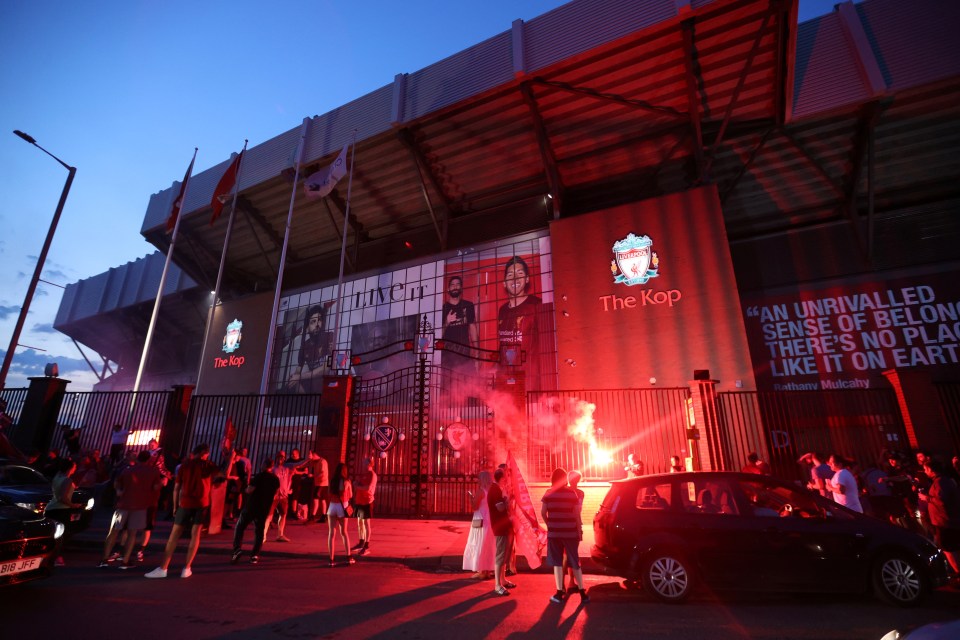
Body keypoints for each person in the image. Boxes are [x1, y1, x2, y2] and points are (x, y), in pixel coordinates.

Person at [145, 443, 231, 579]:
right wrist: (230, 459)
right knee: (195, 535)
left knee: (174, 536)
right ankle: (187, 567)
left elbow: (177, 487)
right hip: (202, 503)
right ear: (205, 453)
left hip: (185, 502)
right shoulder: (209, 465)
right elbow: (223, 474)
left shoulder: (185, 466)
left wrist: (174, 506)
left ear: (195, 452)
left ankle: (164, 567)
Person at [100, 450, 163, 569]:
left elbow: (117, 483)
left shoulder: (128, 470)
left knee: (113, 531)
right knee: (132, 533)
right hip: (140, 506)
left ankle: (104, 559)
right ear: (149, 459)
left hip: (123, 504)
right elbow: (155, 487)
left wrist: (119, 491)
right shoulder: (153, 471)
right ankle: (125, 561)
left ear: (138, 458)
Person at [541, 467, 589, 605]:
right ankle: (582, 593)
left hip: (555, 533)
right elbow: (576, 514)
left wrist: (550, 524)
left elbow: (543, 513)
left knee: (557, 562)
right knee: (575, 561)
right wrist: (579, 530)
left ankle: (559, 593)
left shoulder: (548, 493)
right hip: (570, 532)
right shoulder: (572, 493)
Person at [497, 256, 544, 389]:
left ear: (527, 279)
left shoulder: (537, 305)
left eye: (520, 273)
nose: (515, 278)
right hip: (507, 382)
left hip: (531, 383)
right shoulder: (502, 310)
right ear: (504, 282)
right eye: (510, 275)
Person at [231, 456, 281, 565]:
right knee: (259, 532)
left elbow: (249, 490)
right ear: (272, 467)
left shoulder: (259, 477)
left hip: (252, 506)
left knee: (240, 527)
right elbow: (276, 493)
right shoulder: (275, 479)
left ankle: (237, 549)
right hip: (264, 508)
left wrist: (244, 489)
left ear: (263, 465)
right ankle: (254, 555)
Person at [923, 458, 960, 578]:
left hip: (944, 522)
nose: (924, 472)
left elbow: (941, 501)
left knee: (949, 549)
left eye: (925, 469)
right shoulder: (945, 480)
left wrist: (926, 498)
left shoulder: (940, 483)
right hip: (948, 521)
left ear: (931, 470)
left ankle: (958, 574)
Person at [44, 457, 82, 567]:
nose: (75, 468)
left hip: (51, 508)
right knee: (61, 536)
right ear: (70, 468)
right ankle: (56, 558)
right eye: (74, 466)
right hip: (61, 510)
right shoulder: (67, 480)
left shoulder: (57, 477)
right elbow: (63, 497)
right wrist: (73, 505)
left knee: (53, 534)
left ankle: (50, 556)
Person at [286, 304, 331, 393]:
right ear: (307, 328)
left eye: (319, 320)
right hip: (312, 389)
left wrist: (299, 377)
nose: (317, 324)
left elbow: (326, 369)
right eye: (313, 322)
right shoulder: (304, 346)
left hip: (329, 387)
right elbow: (298, 370)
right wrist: (293, 378)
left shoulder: (330, 336)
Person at [441, 275, 478, 372]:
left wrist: (477, 353)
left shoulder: (468, 305)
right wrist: (447, 322)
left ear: (461, 288)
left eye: (457, 284)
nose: (455, 287)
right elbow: (438, 336)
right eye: (452, 285)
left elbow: (472, 328)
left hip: (465, 356)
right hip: (447, 358)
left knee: (469, 385)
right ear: (448, 289)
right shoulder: (442, 308)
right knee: (449, 386)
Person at [462, 471, 495, 580]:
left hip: (479, 519)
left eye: (479, 478)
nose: (477, 480)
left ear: (482, 479)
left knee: (478, 543)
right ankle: (487, 571)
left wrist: (470, 497)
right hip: (489, 518)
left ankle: (481, 570)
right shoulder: (490, 490)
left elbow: (475, 506)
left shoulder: (481, 491)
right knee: (487, 544)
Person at [487, 468, 514, 596]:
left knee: (503, 555)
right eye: (506, 477)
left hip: (503, 526)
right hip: (499, 526)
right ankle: (497, 585)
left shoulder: (496, 489)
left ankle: (502, 580)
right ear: (502, 478)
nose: (507, 479)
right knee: (500, 555)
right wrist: (507, 500)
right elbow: (500, 508)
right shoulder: (495, 490)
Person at [326, 462, 355, 567]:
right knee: (344, 532)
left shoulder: (332, 481)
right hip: (342, 507)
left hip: (332, 506)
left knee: (331, 534)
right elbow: (350, 495)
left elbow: (329, 493)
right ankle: (348, 557)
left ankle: (331, 559)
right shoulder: (346, 481)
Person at [563, 470, 585, 592]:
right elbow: (578, 511)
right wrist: (578, 528)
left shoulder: (564, 492)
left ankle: (563, 583)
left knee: (566, 554)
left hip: (563, 525)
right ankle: (572, 582)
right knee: (572, 554)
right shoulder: (580, 493)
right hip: (573, 525)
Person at [352, 456, 377, 556]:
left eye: (364, 463)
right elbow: (359, 483)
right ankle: (361, 542)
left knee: (366, 523)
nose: (363, 465)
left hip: (367, 501)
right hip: (359, 501)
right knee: (359, 523)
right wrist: (355, 483)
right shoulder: (363, 474)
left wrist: (357, 486)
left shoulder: (372, 475)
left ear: (369, 464)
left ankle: (366, 545)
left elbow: (368, 487)